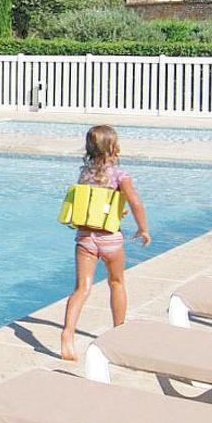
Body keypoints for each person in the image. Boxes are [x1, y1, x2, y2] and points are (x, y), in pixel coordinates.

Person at [58, 125, 150, 362]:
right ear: (115, 148)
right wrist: (143, 229)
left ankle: (68, 334)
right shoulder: (120, 176)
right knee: (117, 283)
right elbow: (136, 203)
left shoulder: (84, 174)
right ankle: (118, 331)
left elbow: (93, 205)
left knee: (82, 289)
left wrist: (117, 212)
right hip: (110, 241)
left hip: (85, 239)